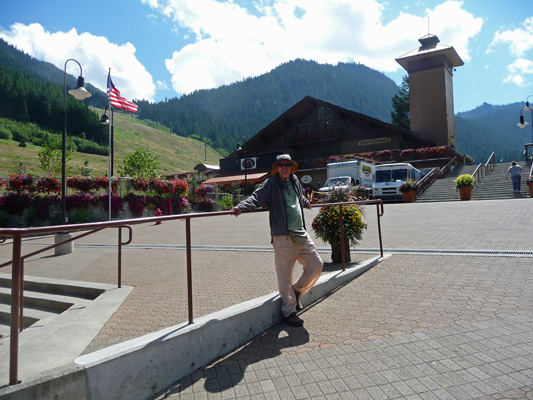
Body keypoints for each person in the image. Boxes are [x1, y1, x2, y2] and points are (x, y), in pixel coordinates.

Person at [232, 154, 323, 327]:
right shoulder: (271, 183)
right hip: (282, 235)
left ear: (291, 166)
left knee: (316, 264)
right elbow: (256, 197)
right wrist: (241, 207)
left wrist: (305, 202)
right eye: (281, 165)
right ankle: (289, 311)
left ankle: (296, 292)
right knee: (284, 275)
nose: (284, 167)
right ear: (277, 167)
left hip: (300, 232)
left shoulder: (295, 180)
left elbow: (298, 196)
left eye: (287, 164)